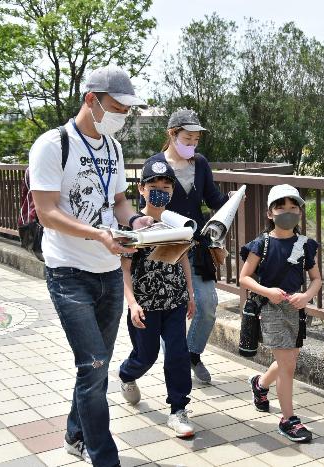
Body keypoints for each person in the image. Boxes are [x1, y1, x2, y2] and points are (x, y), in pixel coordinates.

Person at [30, 65, 151, 466]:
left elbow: (118, 202)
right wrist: (97, 234)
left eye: (126, 110)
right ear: (91, 100)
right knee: (95, 363)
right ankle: (104, 456)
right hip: (68, 271)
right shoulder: (53, 144)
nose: (122, 116)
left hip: (109, 271)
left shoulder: (113, 149)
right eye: (116, 108)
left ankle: (74, 435)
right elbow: (47, 213)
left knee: (93, 368)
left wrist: (134, 222)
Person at [118, 155, 197, 438]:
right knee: (146, 356)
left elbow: (183, 259)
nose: (161, 190)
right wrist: (132, 303)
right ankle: (127, 374)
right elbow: (124, 269)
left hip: (174, 302)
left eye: (167, 185)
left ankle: (178, 410)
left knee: (177, 354)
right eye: (154, 185)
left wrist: (190, 293)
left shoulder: (177, 223)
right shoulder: (131, 225)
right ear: (141, 189)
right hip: (145, 306)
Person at [239, 184, 321, 443]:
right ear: (270, 213)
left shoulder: (305, 244)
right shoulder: (261, 244)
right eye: (281, 207)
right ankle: (288, 419)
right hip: (271, 308)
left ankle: (260, 385)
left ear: (300, 211)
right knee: (288, 364)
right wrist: (266, 291)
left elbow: (316, 278)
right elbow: (244, 277)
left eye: (293, 207)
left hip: (295, 309)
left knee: (288, 360)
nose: (288, 212)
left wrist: (306, 296)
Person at [156, 108, 230, 383]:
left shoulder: (200, 163)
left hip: (197, 245)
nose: (192, 145)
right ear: (172, 135)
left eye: (196, 140)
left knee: (208, 302)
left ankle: (191, 354)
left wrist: (231, 201)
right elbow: (150, 209)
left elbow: (213, 200)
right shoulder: (157, 166)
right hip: (165, 246)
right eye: (187, 139)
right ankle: (174, 363)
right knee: (170, 307)